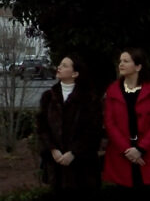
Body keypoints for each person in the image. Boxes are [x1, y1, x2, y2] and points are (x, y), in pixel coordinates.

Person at [102, 48, 150, 199]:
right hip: (123, 154)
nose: (121, 64)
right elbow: (109, 123)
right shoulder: (112, 90)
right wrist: (128, 150)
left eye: (126, 61)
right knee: (124, 192)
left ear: (138, 66)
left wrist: (141, 149)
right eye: (120, 61)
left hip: (149, 153)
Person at [36, 54, 102, 200]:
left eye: (65, 65)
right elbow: (42, 128)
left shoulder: (89, 98)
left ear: (75, 73)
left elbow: (93, 131)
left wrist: (74, 153)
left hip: (83, 167)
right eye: (60, 64)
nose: (59, 67)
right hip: (56, 166)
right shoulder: (48, 97)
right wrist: (53, 150)